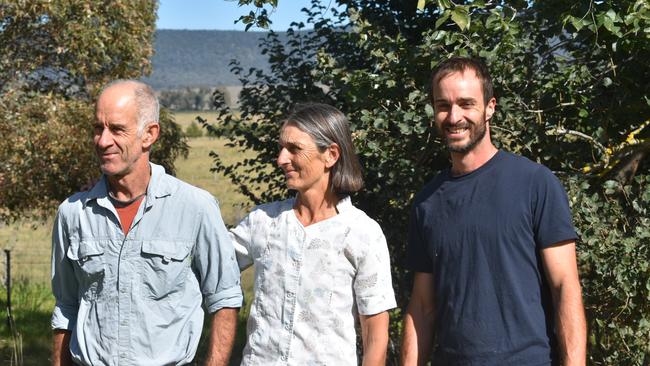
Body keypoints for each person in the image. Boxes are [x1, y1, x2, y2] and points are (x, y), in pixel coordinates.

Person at [401, 57, 587, 365]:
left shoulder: (534, 183)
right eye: (443, 105)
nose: (454, 116)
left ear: (490, 107)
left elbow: (565, 287)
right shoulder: (427, 202)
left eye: (466, 104)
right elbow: (422, 307)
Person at [51, 80, 243, 366]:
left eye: (116, 129)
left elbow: (224, 298)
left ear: (149, 135)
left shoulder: (195, 207)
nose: (103, 141)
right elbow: (66, 307)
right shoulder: (73, 213)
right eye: (97, 129)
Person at [230, 103, 396, 365]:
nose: (281, 159)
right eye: (282, 148)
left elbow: (375, 334)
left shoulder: (362, 234)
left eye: (295, 149)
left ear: (330, 155)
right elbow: (211, 264)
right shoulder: (263, 223)